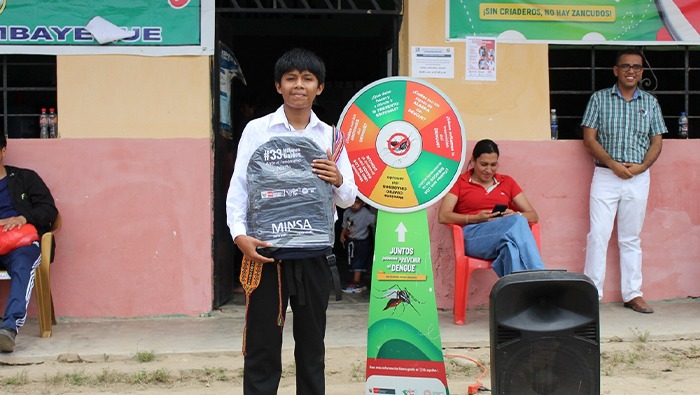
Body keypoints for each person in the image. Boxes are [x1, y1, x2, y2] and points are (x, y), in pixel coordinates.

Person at [225, 48, 357, 395]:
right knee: (262, 347)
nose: (299, 85)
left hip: (314, 254)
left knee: (312, 348)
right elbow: (240, 187)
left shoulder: (332, 137)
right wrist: (240, 236)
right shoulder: (257, 130)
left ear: (320, 88)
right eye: (291, 78)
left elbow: (349, 199)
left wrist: (338, 180)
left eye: (307, 79)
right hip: (266, 253)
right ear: (278, 86)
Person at [581, 48, 666, 314]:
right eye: (626, 66)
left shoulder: (650, 103)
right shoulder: (599, 99)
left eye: (637, 68)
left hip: (638, 178)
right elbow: (589, 138)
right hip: (606, 176)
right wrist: (613, 165)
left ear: (642, 73)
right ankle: (590, 295)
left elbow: (657, 141)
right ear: (615, 70)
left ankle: (633, 294)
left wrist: (641, 167)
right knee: (598, 235)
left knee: (631, 238)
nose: (631, 71)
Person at [437, 139, 545, 277]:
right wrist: (474, 218)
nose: (489, 170)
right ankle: (539, 273)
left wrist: (513, 214)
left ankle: (517, 295)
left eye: (494, 165)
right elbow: (443, 216)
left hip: (504, 234)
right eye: (484, 164)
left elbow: (533, 215)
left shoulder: (507, 182)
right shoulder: (460, 181)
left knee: (510, 247)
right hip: (472, 237)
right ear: (473, 161)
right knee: (517, 221)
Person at [0, 133, 58, 353]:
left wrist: (23, 218)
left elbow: (49, 211)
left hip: (21, 243)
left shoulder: (25, 178)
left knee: (24, 264)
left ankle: (8, 329)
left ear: (3, 151)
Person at [339, 197, 375, 293]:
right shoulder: (347, 212)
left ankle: (356, 283)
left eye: (357, 202)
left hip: (362, 241)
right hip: (351, 241)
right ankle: (357, 281)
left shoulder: (366, 213)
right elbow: (345, 224)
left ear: (363, 203)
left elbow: (375, 221)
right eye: (352, 202)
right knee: (352, 260)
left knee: (359, 261)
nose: (354, 205)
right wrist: (342, 235)